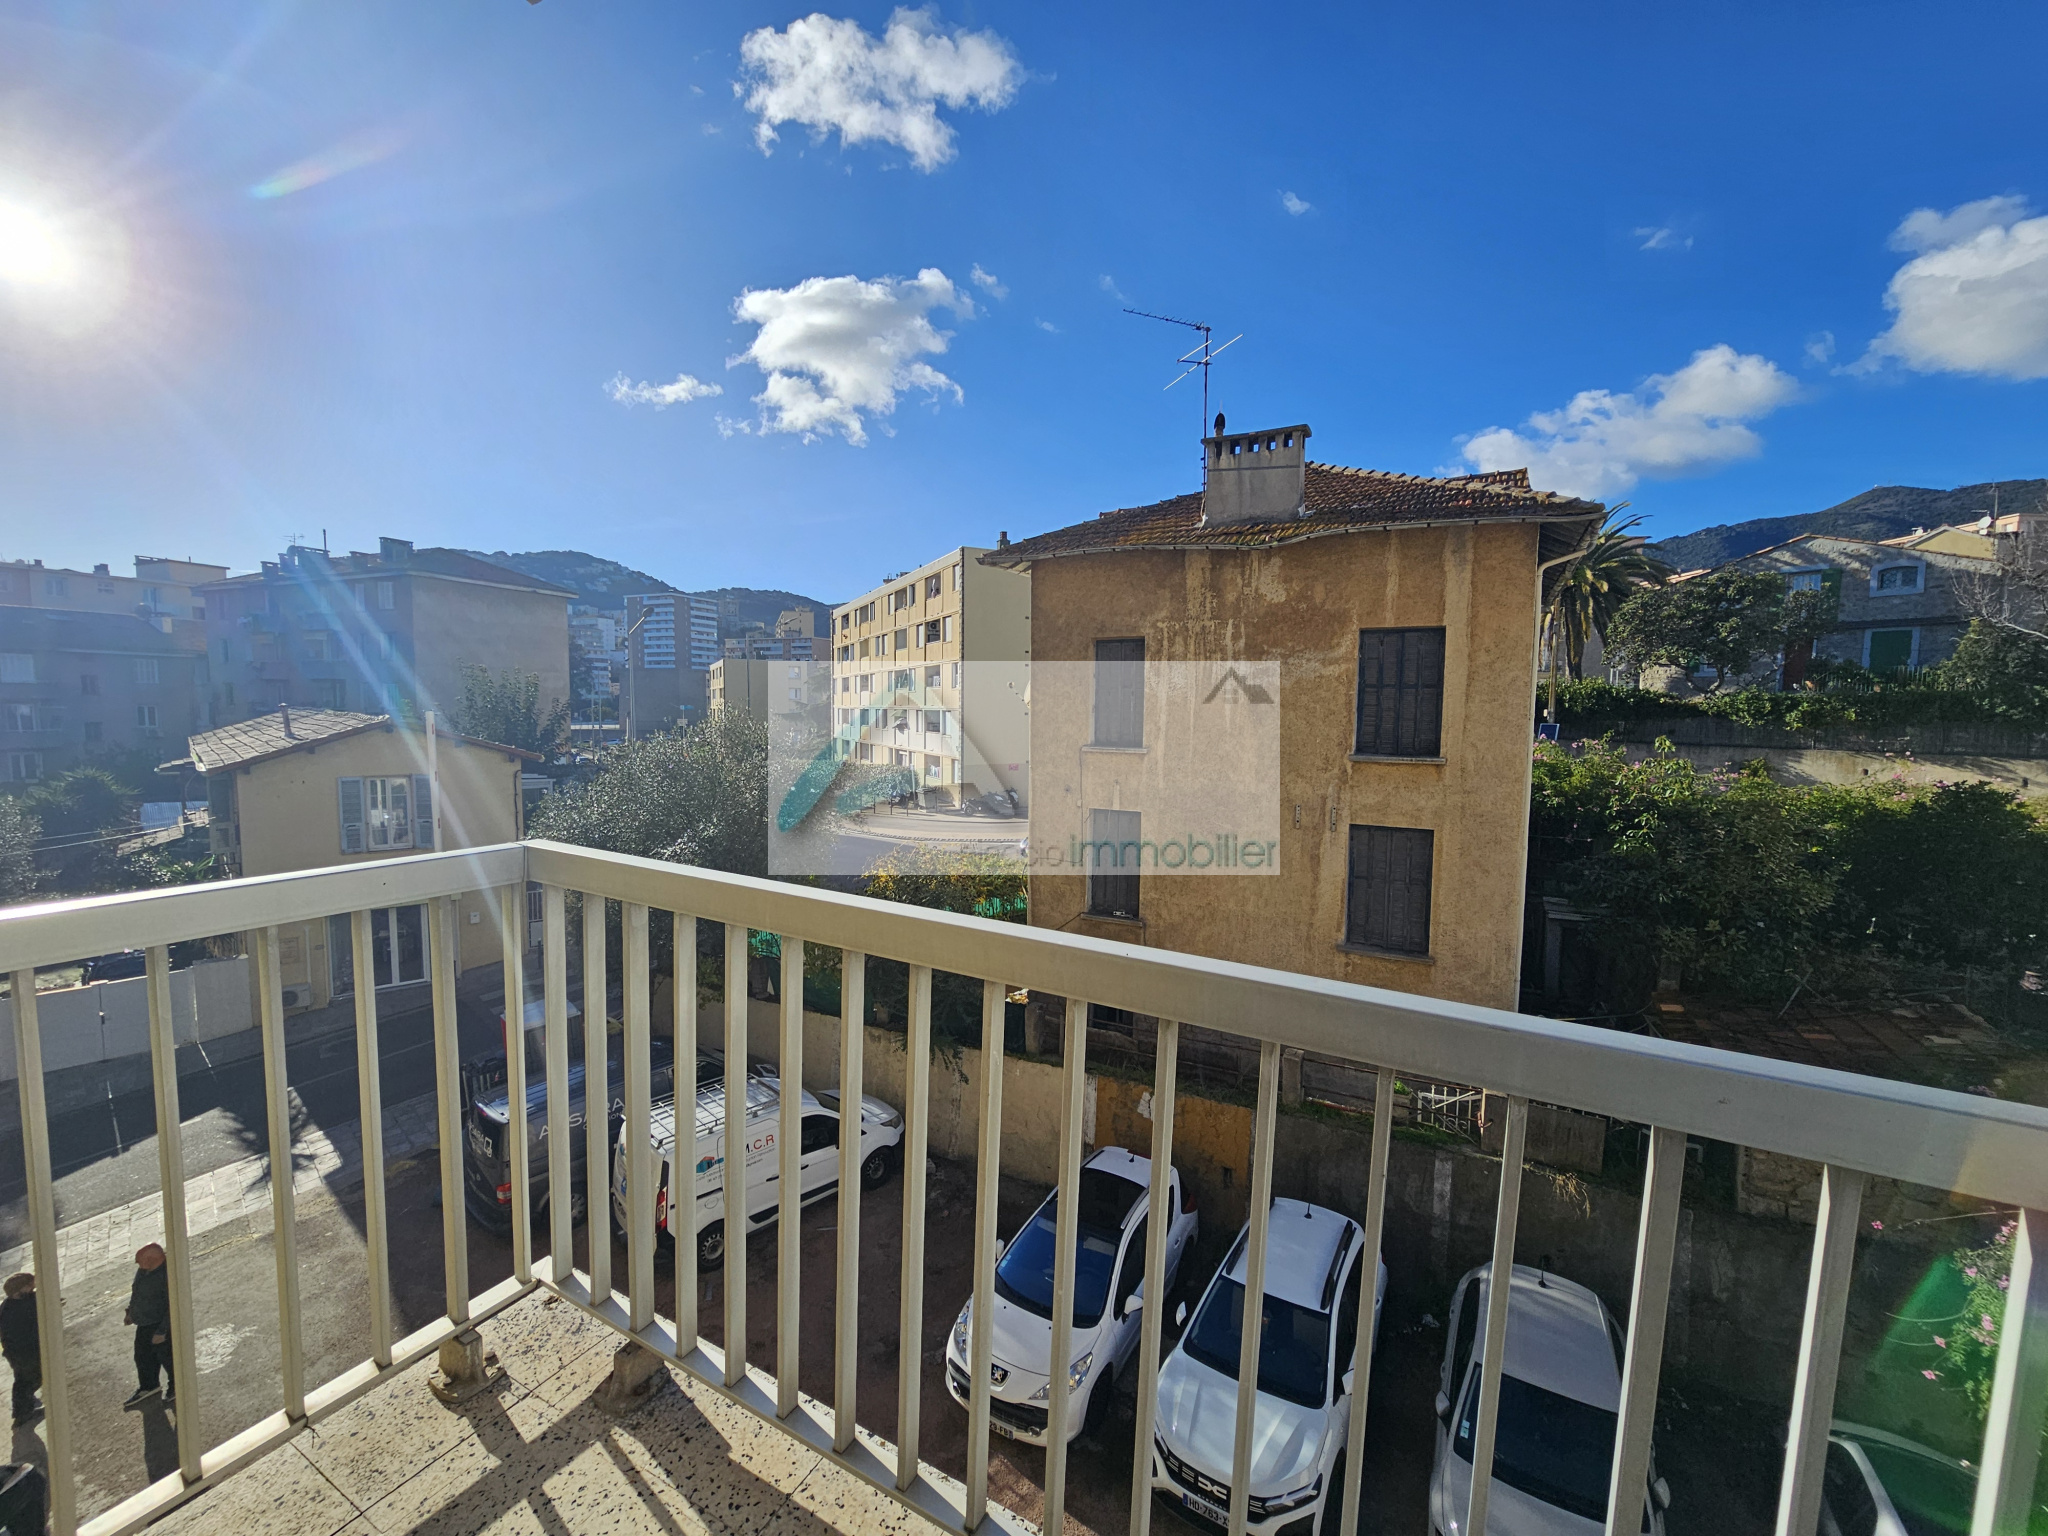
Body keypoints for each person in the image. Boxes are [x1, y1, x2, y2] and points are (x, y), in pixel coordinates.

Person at [122, 1243, 172, 1410]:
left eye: (140, 1261)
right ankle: (148, 1386)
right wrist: (130, 1312)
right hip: (144, 1323)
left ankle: (175, 1386)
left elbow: (172, 1306)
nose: (137, 1264)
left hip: (159, 1324)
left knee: (168, 1358)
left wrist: (162, 1331)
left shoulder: (167, 1276)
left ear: (151, 1260)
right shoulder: (144, 1271)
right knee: (142, 1357)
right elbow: (136, 1292)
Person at [0, 1276, 37, 1427]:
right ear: (20, 1290)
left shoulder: (11, 1305)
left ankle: (24, 1408)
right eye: (29, 1287)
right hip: (22, 1352)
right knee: (28, 1379)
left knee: (23, 1379)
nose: (32, 1289)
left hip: (17, 1352)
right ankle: (23, 1412)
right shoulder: (18, 1308)